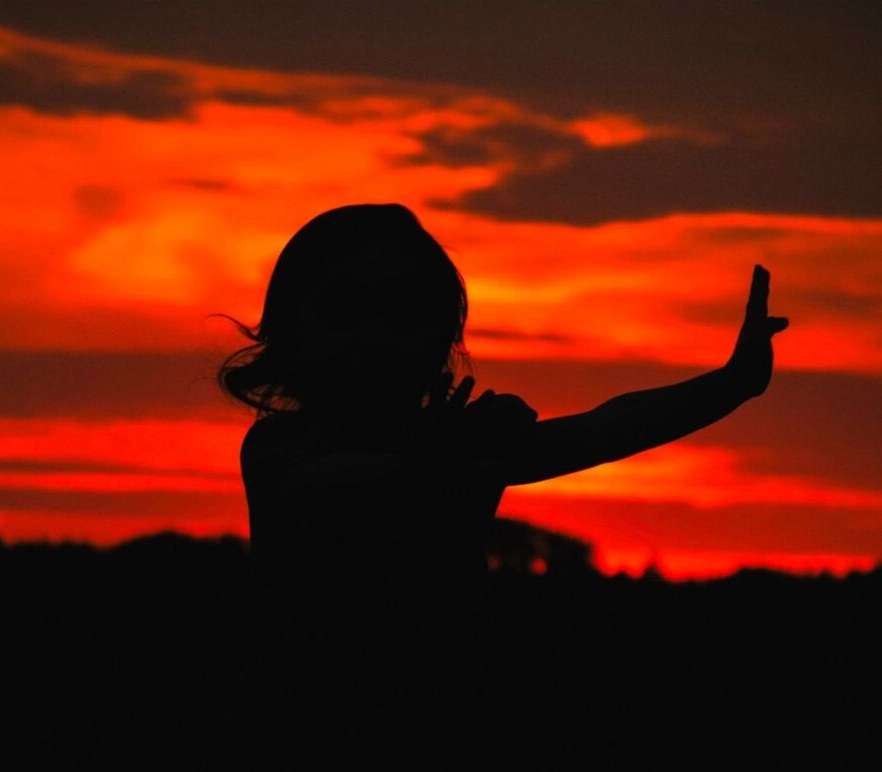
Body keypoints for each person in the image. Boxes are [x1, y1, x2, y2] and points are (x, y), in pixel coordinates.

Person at [204, 203, 789, 769]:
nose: (374, 337)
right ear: (291, 336)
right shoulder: (283, 449)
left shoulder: (463, 449)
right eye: (345, 313)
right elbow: (342, 486)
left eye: (402, 315)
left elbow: (599, 430)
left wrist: (731, 384)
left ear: (441, 341)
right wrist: (453, 450)